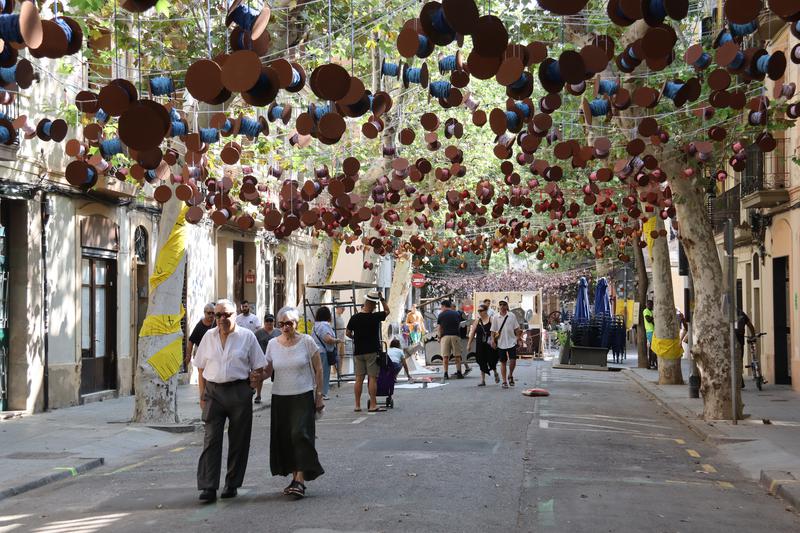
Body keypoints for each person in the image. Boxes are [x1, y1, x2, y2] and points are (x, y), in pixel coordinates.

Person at [193, 299, 266, 503]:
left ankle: (232, 484)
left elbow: (259, 365)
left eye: (227, 315)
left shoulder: (247, 337)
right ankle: (208, 486)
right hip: (213, 393)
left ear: (236, 315)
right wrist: (202, 395)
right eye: (218, 315)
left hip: (238, 391)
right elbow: (200, 367)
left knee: (239, 440)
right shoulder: (208, 336)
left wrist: (251, 385)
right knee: (211, 439)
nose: (222, 319)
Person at [259, 306, 325, 499]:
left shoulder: (307, 341)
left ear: (296, 323)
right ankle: (296, 479)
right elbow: (267, 371)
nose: (286, 327)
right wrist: (255, 377)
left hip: (303, 396)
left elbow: (319, 369)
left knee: (300, 435)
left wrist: (319, 395)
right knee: (286, 439)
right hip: (280, 397)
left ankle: (301, 480)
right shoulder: (272, 344)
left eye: (289, 323)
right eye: (282, 324)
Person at [346, 292, 388, 412]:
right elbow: (387, 311)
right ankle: (373, 404)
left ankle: (357, 405)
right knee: (372, 378)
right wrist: (382, 299)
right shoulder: (375, 317)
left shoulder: (354, 318)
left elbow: (348, 333)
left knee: (358, 378)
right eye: (375, 305)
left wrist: (356, 338)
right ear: (372, 305)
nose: (375, 307)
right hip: (372, 351)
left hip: (358, 351)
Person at [437, 300, 471, 379]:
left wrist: (439, 337)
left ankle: (446, 374)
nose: (441, 308)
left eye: (441, 307)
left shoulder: (441, 315)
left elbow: (439, 328)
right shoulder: (456, 314)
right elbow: (459, 325)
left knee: (445, 356)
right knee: (457, 355)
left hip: (445, 337)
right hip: (456, 336)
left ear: (444, 306)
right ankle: (459, 372)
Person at [491, 299, 521, 388]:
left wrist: (518, 338)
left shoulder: (511, 315)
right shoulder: (496, 317)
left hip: (511, 341)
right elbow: (493, 331)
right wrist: (493, 340)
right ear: (498, 306)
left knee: (513, 360)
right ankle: (504, 381)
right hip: (501, 342)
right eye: (500, 304)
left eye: (504, 304)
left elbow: (517, 328)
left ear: (507, 306)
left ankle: (510, 374)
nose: (502, 306)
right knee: (503, 362)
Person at [467, 304, 499, 386]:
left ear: (485, 311)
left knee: (491, 359)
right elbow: (472, 333)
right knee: (481, 360)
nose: (479, 312)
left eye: (481, 311)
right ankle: (483, 380)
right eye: (478, 311)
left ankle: (495, 372)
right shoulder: (477, 321)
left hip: (489, 343)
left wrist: (494, 340)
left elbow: (496, 331)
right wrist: (469, 344)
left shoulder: (491, 320)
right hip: (480, 343)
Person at [253, 313, 281, 403]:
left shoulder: (278, 332)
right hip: (262, 359)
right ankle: (258, 395)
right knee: (260, 377)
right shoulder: (258, 333)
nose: (269, 323)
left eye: (271, 321)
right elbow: (253, 344)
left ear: (274, 322)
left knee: (277, 378)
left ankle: (277, 394)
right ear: (264, 322)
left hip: (276, 358)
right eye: (267, 321)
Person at [312, 306, 338, 400]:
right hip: (323, 352)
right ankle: (322, 393)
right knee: (324, 373)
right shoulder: (324, 325)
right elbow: (328, 339)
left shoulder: (316, 325)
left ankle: (319, 392)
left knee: (318, 372)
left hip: (317, 352)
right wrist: (337, 340)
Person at [186, 302, 216, 367]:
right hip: (201, 352)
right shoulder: (200, 325)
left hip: (214, 353)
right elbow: (191, 340)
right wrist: (188, 355)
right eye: (209, 313)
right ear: (204, 313)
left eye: (213, 313)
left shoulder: (217, 323)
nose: (211, 315)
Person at [735, 309, 756, 388]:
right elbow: (750, 325)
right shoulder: (741, 313)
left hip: (730, 342)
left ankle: (739, 381)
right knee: (739, 361)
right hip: (740, 341)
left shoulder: (725, 313)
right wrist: (753, 335)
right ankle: (740, 381)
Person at [643, 300, 656, 369]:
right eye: (650, 305)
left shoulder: (651, 311)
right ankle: (651, 362)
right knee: (653, 347)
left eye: (652, 305)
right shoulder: (646, 311)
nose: (651, 306)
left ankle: (652, 362)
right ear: (647, 305)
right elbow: (648, 320)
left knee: (653, 347)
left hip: (653, 330)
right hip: (649, 331)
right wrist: (654, 316)